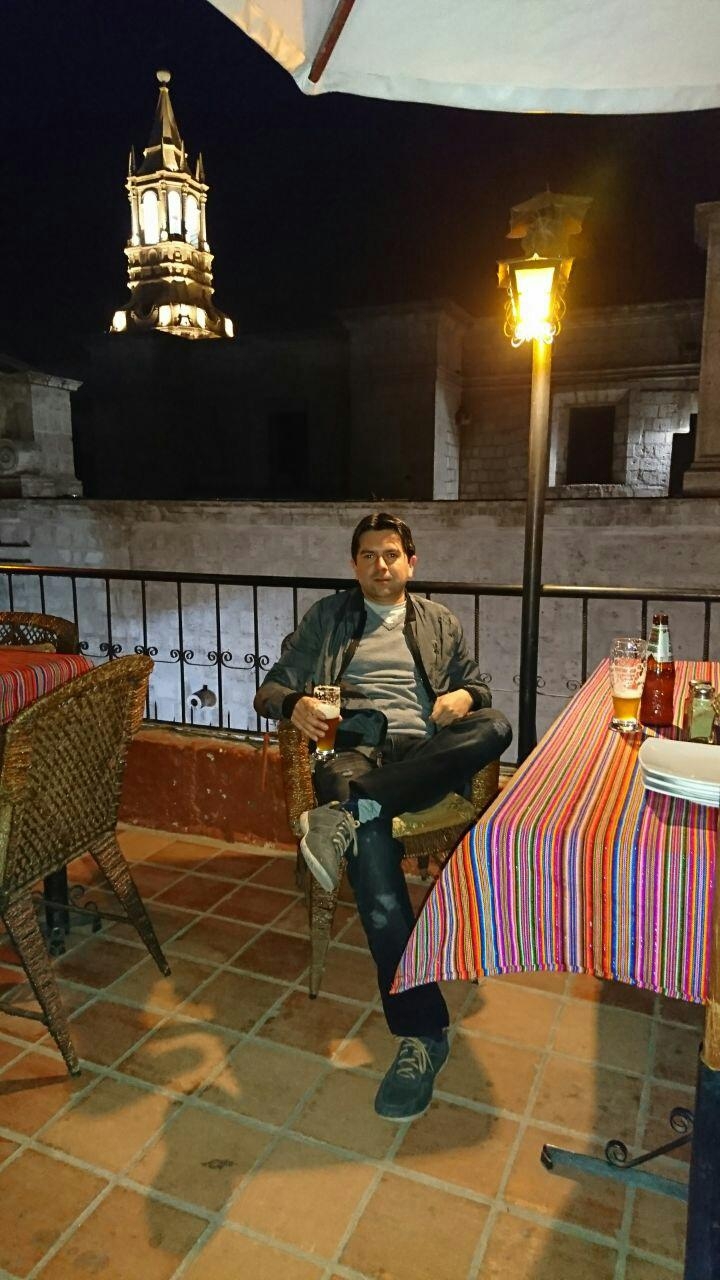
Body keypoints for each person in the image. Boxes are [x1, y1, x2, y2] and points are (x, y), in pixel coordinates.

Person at [254, 512, 512, 1121]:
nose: (380, 565)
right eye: (368, 555)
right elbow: (270, 688)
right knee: (369, 841)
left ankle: (351, 809)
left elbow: (480, 688)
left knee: (495, 726)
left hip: (422, 756)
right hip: (352, 753)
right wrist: (294, 705)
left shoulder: (438, 621)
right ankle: (421, 1033)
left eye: (391, 554)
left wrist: (464, 697)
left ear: (411, 563)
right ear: (354, 565)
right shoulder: (328, 617)